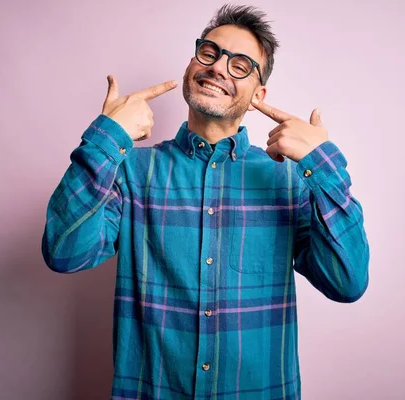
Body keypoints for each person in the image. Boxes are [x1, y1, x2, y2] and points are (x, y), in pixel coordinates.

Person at [42, 4, 370, 399]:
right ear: (190, 66)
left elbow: (347, 282)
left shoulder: (290, 180)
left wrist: (323, 164)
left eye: (240, 65)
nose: (218, 68)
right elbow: (64, 252)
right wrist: (108, 138)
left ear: (257, 95)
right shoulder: (130, 170)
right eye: (210, 53)